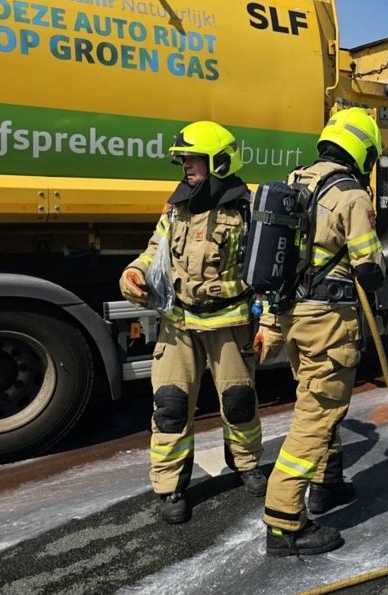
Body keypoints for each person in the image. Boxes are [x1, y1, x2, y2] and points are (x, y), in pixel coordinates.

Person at [119, 121, 266, 525]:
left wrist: (268, 320)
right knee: (170, 405)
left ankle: (248, 464)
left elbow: (269, 271)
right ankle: (170, 488)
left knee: (239, 402)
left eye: (193, 158)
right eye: (183, 159)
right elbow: (155, 252)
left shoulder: (249, 209)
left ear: (219, 161)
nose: (186, 166)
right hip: (178, 323)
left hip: (230, 324)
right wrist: (133, 273)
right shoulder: (175, 208)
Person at [257, 107, 387, 557]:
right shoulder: (350, 195)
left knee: (316, 400)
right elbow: (370, 268)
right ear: (363, 151)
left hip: (294, 315)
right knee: (318, 414)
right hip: (328, 322)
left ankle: (327, 485)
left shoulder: (297, 183)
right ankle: (283, 522)